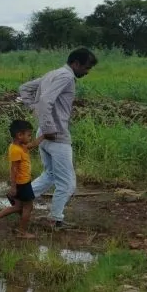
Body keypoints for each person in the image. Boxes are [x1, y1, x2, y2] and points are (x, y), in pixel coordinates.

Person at [18, 48, 98, 228]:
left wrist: (33, 109)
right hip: (56, 135)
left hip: (44, 133)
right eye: (86, 67)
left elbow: (24, 88)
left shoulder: (52, 74)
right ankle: (55, 219)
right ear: (75, 63)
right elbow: (46, 100)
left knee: (50, 175)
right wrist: (49, 127)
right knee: (67, 183)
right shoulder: (66, 77)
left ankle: (20, 197)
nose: (87, 72)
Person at [0, 119, 43, 238]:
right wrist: (13, 187)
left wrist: (45, 136)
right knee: (28, 207)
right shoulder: (16, 150)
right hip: (22, 183)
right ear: (19, 135)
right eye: (28, 135)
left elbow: (33, 144)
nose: (30, 137)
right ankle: (22, 232)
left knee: (17, 207)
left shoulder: (19, 146)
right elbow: (14, 169)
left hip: (22, 183)